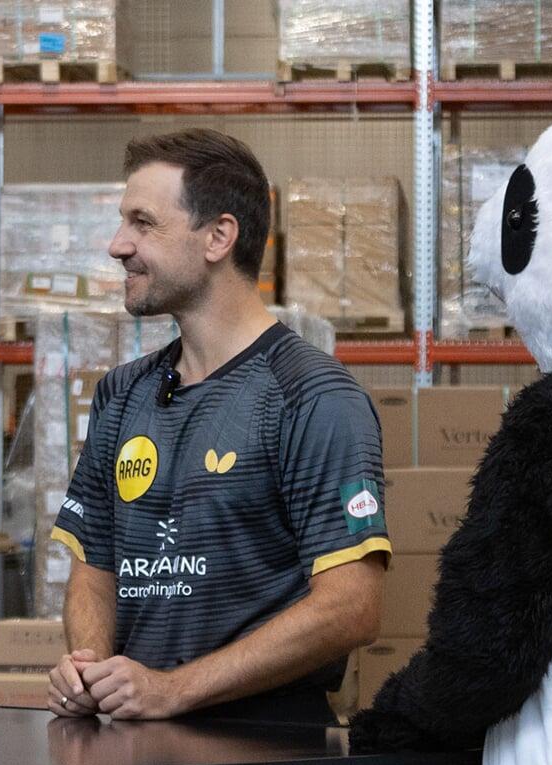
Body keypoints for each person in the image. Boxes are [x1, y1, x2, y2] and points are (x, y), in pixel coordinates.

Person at [47, 129, 389, 724]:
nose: (116, 245)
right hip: (134, 745)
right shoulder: (122, 395)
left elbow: (352, 607)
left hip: (264, 761)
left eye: (142, 223)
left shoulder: (312, 397)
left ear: (219, 237)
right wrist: (89, 667)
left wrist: (175, 689)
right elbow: (95, 567)